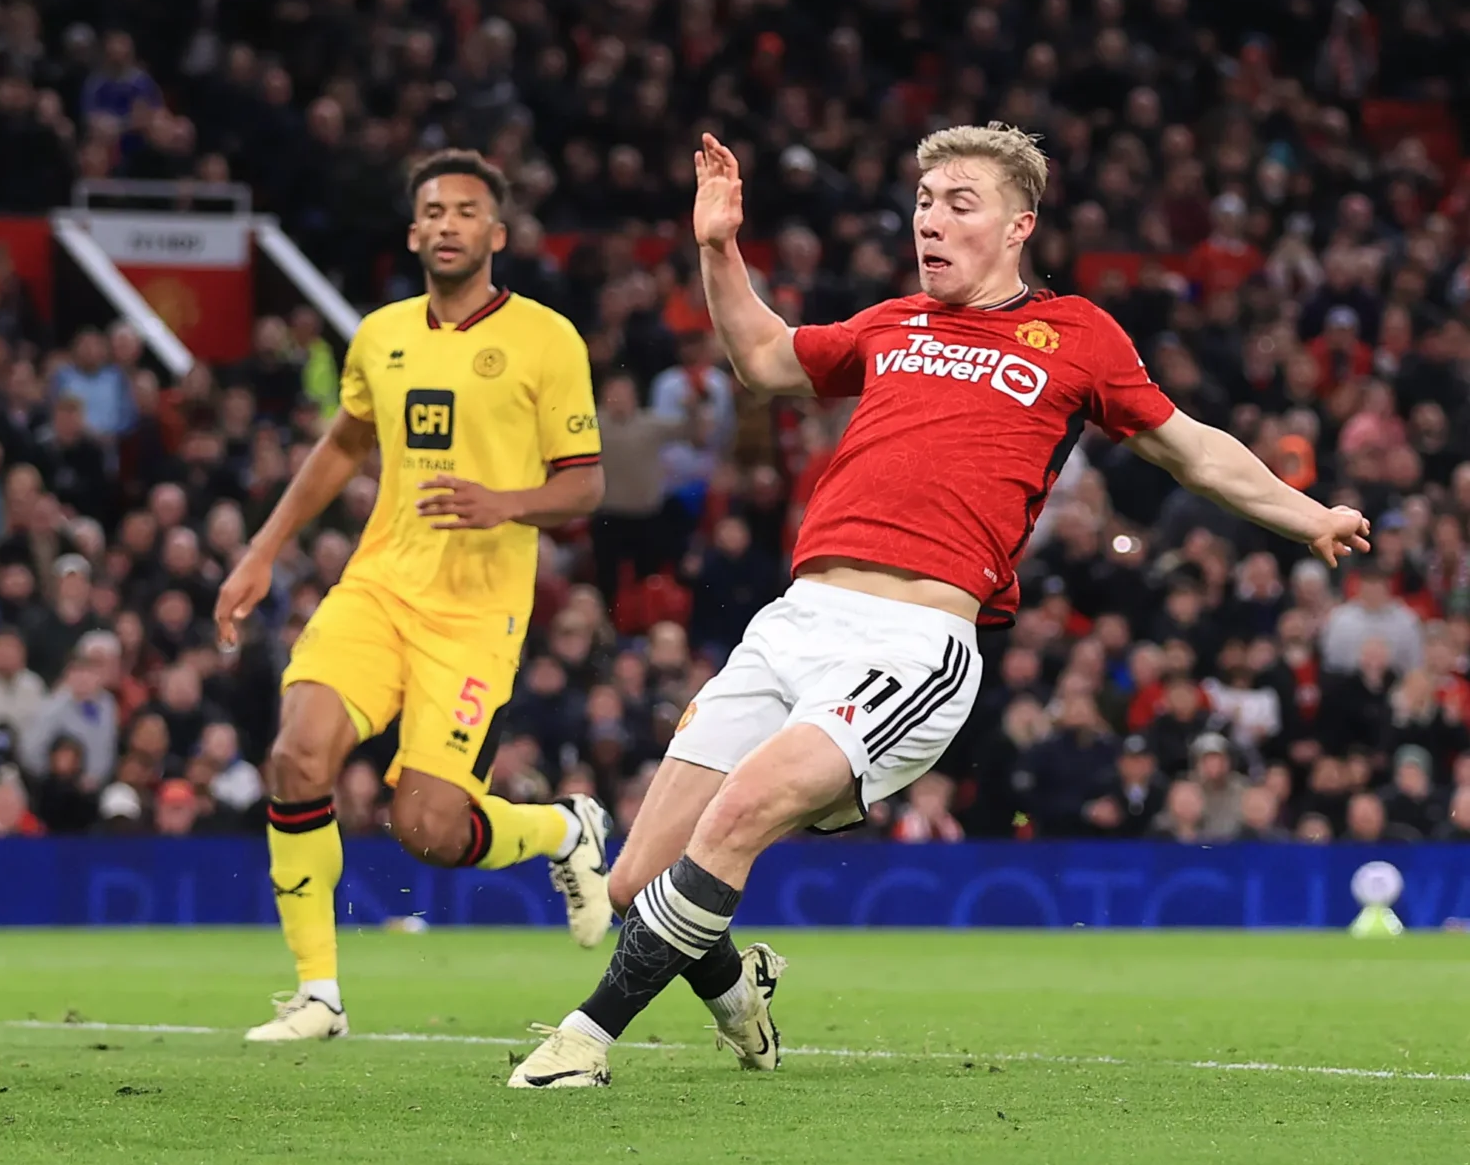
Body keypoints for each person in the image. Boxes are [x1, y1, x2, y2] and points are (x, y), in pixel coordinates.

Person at [511, 127, 1370, 1087]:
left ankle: (582, 1041)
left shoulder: (1076, 334)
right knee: (636, 881)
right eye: (923, 201)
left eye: (959, 201)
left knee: (743, 811)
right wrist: (718, 246)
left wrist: (1307, 516)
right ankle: (735, 990)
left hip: (915, 641)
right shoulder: (892, 323)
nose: (931, 219)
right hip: (796, 619)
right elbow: (762, 357)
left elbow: (1195, 449)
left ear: (1018, 226)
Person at [215, 149, 614, 1044]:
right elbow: (342, 446)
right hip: (378, 588)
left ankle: (559, 830)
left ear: (496, 234)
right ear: (412, 231)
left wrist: (503, 502)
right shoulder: (381, 335)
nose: (446, 224)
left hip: (477, 614)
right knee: (296, 758)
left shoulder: (548, 340)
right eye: (433, 211)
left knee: (427, 829)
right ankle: (318, 993)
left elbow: (586, 487)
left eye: (466, 211)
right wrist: (262, 550)